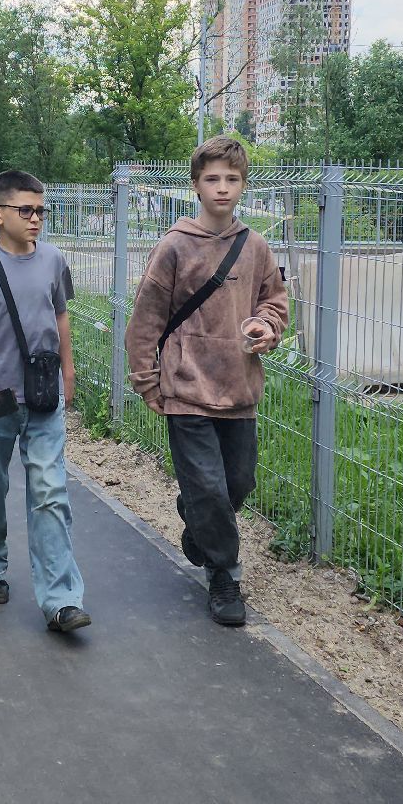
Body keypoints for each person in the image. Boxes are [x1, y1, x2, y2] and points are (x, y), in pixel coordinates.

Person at [123, 136, 288, 627]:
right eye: (212, 179)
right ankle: (224, 575)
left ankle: (197, 518)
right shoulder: (174, 246)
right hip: (187, 389)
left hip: (238, 390)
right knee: (211, 491)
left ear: (242, 185)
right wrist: (147, 380)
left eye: (232, 179)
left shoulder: (254, 246)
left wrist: (267, 326)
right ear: (195, 185)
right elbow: (146, 320)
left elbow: (274, 302)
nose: (222, 188)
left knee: (236, 483)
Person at [0, 170, 90, 634]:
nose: (36, 219)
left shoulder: (52, 260)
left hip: (42, 396)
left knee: (50, 493)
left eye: (41, 211)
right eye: (26, 211)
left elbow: (60, 316)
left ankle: (62, 600)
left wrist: (68, 368)